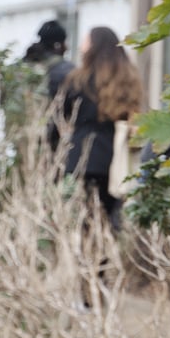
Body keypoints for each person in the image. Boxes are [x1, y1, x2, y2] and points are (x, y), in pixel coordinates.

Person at [62, 26, 143, 230]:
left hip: (81, 157)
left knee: (83, 219)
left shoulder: (78, 80)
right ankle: (107, 257)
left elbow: (63, 116)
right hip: (113, 158)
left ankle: (88, 257)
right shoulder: (127, 80)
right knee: (110, 216)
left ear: (93, 46)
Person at [24, 19, 75, 150]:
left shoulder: (21, 68)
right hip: (52, 144)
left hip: (22, 140)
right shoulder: (67, 70)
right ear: (59, 44)